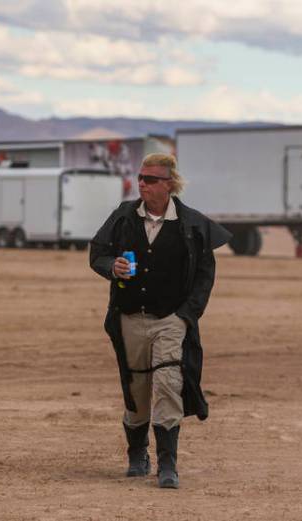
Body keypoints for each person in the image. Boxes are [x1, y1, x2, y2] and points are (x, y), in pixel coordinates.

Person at [89, 153, 230, 489]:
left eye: (150, 179)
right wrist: (112, 267)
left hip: (171, 320)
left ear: (169, 184)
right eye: (140, 178)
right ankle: (138, 454)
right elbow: (97, 252)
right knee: (137, 390)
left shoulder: (192, 224)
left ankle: (169, 464)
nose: (142, 184)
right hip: (129, 318)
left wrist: (186, 316)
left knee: (169, 385)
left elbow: (205, 276)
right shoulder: (124, 217)